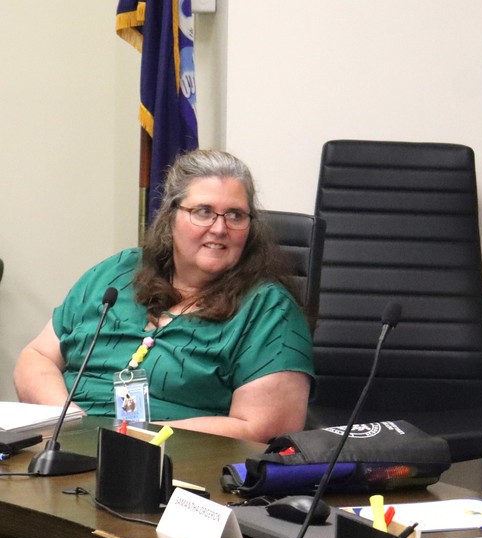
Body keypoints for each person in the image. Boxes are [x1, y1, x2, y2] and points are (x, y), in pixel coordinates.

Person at [14, 149, 314, 444]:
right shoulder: (118, 272)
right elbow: (37, 357)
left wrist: (131, 439)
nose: (220, 228)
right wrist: (68, 423)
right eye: (204, 212)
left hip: (174, 468)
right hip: (62, 447)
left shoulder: (268, 310)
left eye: (235, 215)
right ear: (171, 216)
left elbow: (264, 431)